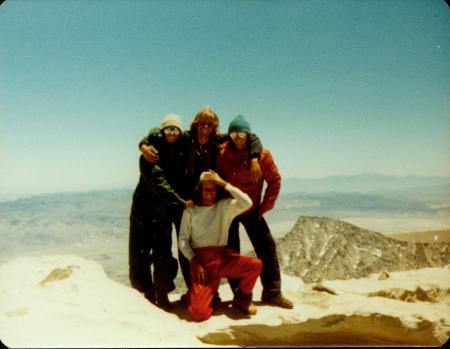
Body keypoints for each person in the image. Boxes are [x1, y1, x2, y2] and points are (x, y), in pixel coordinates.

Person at [139, 106, 263, 292]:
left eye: (210, 124)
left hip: (211, 196)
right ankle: (193, 288)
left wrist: (254, 158)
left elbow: (251, 137)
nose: (205, 127)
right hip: (188, 200)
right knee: (187, 242)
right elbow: (156, 135)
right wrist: (143, 145)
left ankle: (235, 292)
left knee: (224, 240)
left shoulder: (217, 140)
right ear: (196, 124)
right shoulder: (185, 138)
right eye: (202, 123)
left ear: (214, 127)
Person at [216, 115, 294, 309]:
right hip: (230, 209)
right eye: (233, 133)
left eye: (241, 132)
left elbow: (274, 180)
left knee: (267, 248)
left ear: (248, 133)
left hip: (252, 210)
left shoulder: (263, 156)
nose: (238, 137)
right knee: (232, 253)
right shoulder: (222, 152)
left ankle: (272, 293)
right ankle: (240, 297)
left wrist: (265, 207)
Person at [178, 170, 262, 321]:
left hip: (223, 259)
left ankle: (242, 300)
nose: (209, 192)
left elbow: (247, 202)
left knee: (255, 265)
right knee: (199, 313)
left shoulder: (225, 207)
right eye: (206, 188)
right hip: (202, 264)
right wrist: (193, 260)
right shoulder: (191, 210)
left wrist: (225, 184)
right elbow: (183, 240)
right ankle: (195, 295)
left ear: (217, 190)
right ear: (200, 189)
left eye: (213, 188)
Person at [129, 114, 190, 310]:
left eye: (175, 129)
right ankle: (145, 294)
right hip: (143, 209)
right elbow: (159, 183)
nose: (171, 132)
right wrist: (182, 203)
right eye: (168, 129)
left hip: (163, 210)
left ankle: (162, 294)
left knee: (163, 253)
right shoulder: (150, 152)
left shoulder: (180, 145)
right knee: (140, 254)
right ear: (162, 131)